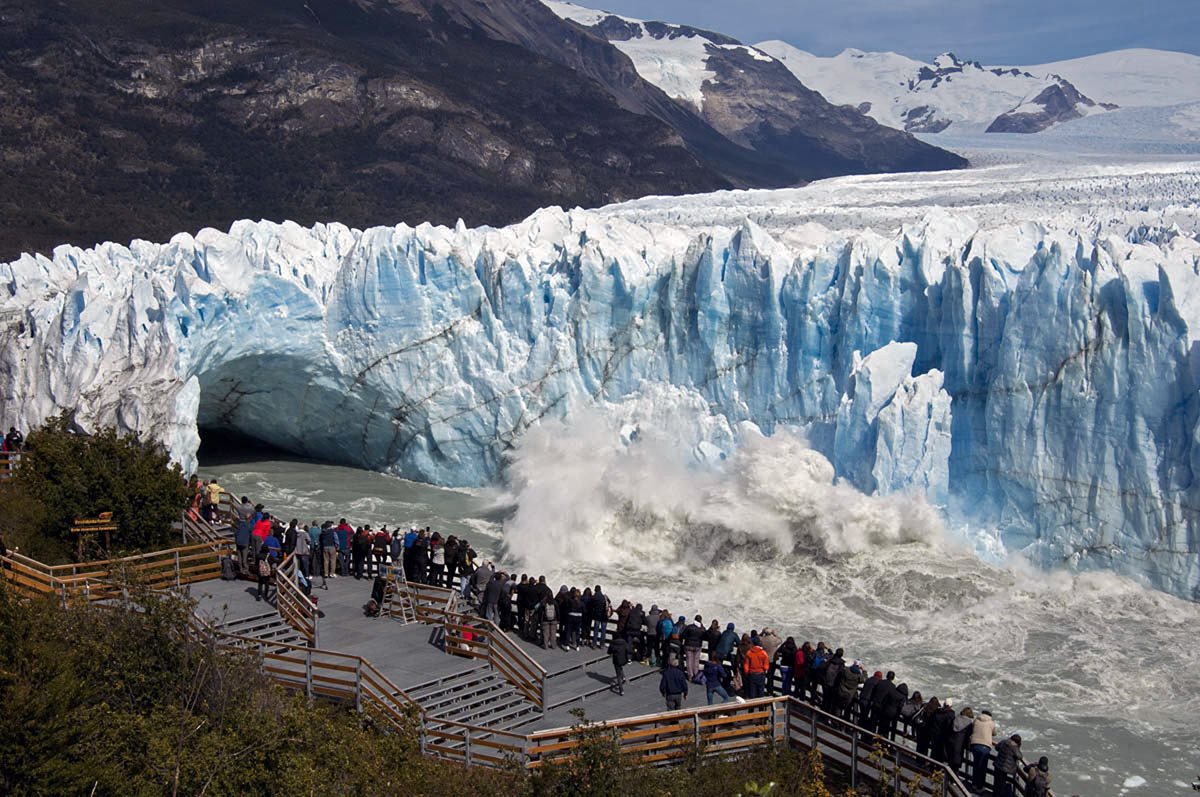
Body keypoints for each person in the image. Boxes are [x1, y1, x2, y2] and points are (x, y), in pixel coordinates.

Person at [969, 709, 996, 791]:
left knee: (976, 765)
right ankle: (980, 787)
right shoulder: (991, 723)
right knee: (982, 767)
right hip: (985, 746)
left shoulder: (976, 720)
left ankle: (974, 784)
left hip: (975, 745)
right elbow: (994, 733)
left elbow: (972, 729)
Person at [947, 706, 975, 772]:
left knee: (950, 762)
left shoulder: (956, 718)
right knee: (956, 763)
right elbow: (969, 735)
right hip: (959, 745)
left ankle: (948, 778)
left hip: (950, 742)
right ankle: (954, 779)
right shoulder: (969, 723)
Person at [682, 615, 705, 679]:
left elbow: (684, 635)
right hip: (698, 646)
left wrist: (688, 638)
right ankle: (696, 673)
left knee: (689, 660)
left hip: (688, 645)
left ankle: (690, 675)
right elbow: (705, 636)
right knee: (696, 660)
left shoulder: (689, 627)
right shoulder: (702, 628)